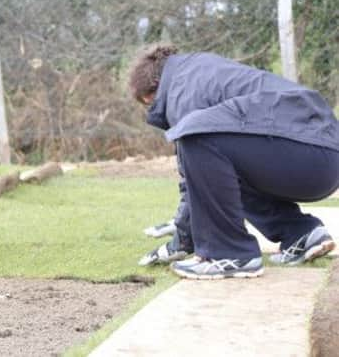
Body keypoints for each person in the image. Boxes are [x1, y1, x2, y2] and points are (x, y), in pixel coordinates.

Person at [129, 43, 339, 279]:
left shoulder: (181, 91)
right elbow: (212, 175)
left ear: (153, 91)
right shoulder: (197, 70)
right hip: (322, 156)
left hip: (305, 152)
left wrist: (180, 241)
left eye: (150, 105)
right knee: (225, 166)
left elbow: (194, 179)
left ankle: (229, 253)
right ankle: (300, 233)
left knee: (194, 136)